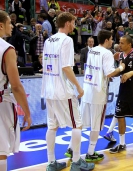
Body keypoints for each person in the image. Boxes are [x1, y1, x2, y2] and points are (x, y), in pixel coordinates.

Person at [42, 12, 94, 170]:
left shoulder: (49, 40)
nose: (75, 25)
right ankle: (77, 162)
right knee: (77, 125)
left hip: (48, 89)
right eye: (73, 22)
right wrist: (78, 86)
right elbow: (66, 67)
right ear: (67, 23)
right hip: (63, 90)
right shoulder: (67, 40)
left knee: (52, 127)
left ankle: (51, 163)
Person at [65, 29, 125, 162]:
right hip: (98, 94)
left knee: (80, 123)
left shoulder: (92, 50)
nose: (112, 41)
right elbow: (109, 73)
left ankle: (70, 148)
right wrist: (121, 67)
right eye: (111, 39)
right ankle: (90, 153)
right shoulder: (107, 53)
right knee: (95, 125)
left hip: (87, 90)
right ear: (106, 40)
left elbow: (99, 69)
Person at [0, 10, 31, 171]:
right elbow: (16, 86)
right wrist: (27, 112)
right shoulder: (7, 48)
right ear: (0, 25)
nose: (12, 26)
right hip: (1, 104)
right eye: (9, 23)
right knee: (1, 150)